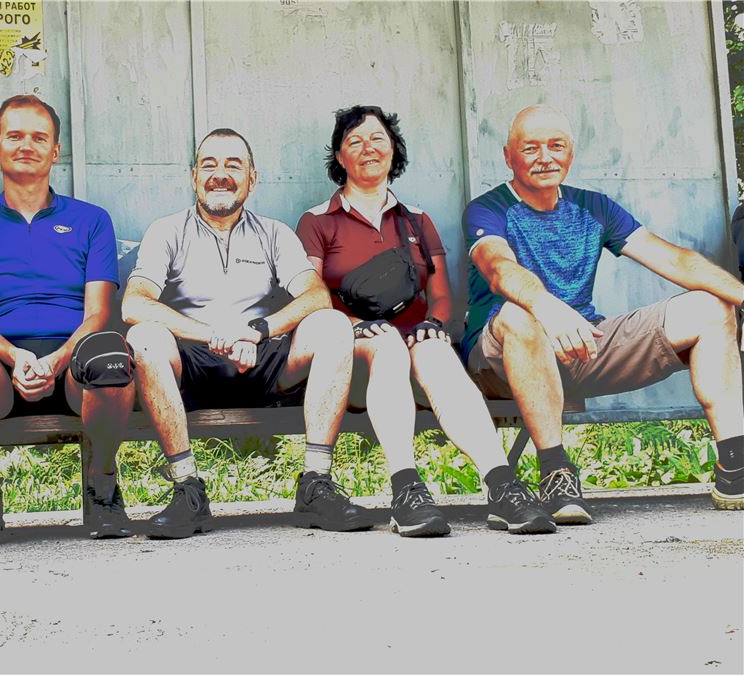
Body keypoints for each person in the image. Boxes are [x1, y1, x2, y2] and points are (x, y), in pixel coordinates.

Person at [464, 104, 744, 521]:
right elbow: (498, 268)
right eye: (531, 148)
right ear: (509, 156)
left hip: (581, 345)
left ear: (571, 153)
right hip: (499, 357)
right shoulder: (488, 208)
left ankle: (735, 465)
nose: (545, 157)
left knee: (712, 306)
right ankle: (555, 472)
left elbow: (677, 261)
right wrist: (547, 307)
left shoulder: (593, 207)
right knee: (520, 316)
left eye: (556, 146)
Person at [297, 105, 555, 536]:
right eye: (355, 141)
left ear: (393, 149)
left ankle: (502, 485)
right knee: (387, 345)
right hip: (355, 354)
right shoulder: (318, 220)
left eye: (377, 139)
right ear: (340, 156)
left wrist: (434, 323)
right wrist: (353, 323)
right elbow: (311, 295)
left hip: (415, 350)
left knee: (434, 350)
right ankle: (406, 490)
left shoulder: (416, 220)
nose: (368, 148)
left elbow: (440, 295)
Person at [0, 95, 135, 545]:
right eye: (14, 136)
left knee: (111, 357)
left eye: (39, 137)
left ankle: (103, 482)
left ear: (56, 151)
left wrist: (55, 360)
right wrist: (16, 357)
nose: (26, 145)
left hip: (75, 365)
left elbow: (98, 313)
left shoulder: (91, 220)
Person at [123, 128, 366, 539]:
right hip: (192, 361)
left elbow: (316, 296)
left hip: (264, 359)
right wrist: (212, 334)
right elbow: (134, 304)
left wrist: (258, 331)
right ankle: (187, 489)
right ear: (194, 176)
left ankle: (316, 483)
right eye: (209, 165)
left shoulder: (274, 233)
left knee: (333, 324)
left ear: (252, 179)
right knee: (144, 337)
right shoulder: (167, 231)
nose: (220, 174)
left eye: (233, 165)